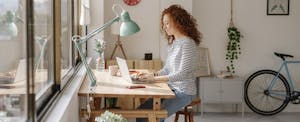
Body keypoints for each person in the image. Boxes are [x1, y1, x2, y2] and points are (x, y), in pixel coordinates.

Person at [137, 4, 202, 122]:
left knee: (154, 116)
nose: (164, 27)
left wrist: (155, 80)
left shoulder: (187, 44)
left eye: (167, 23)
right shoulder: (174, 43)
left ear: (178, 22)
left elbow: (183, 74)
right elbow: (167, 69)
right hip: (171, 88)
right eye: (163, 24)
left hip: (184, 92)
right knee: (141, 112)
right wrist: (154, 75)